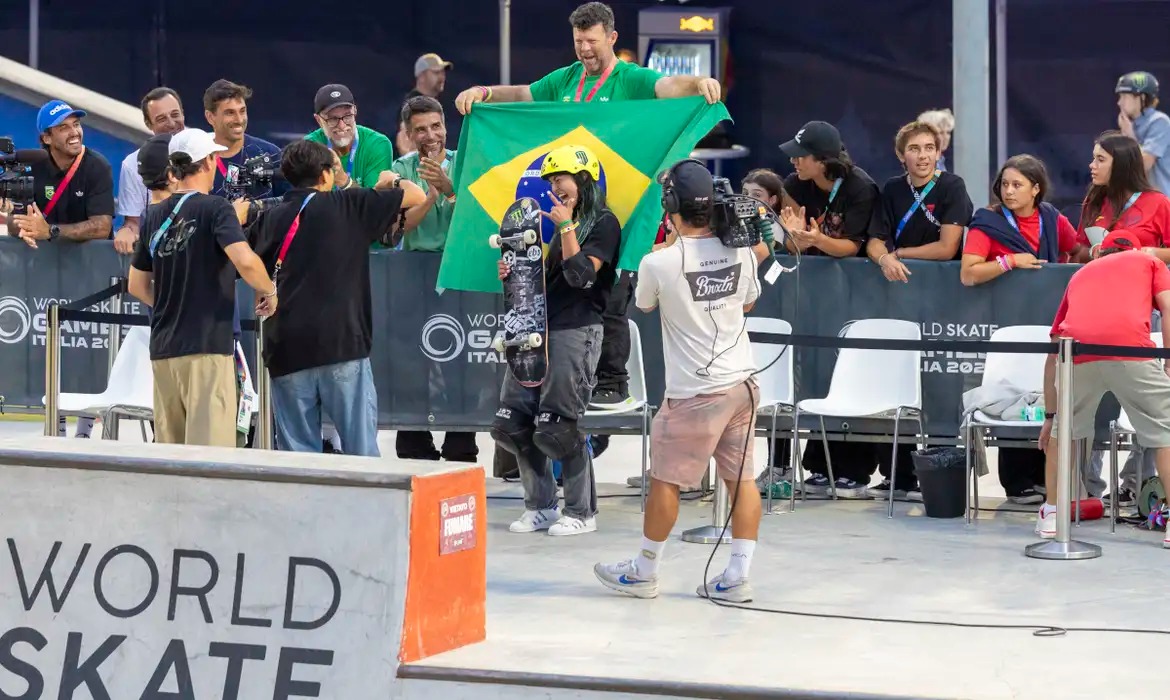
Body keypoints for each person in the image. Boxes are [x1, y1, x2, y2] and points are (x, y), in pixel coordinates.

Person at [455, 0, 721, 410]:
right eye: (579, 41)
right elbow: (524, 94)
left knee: (611, 297)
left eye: (592, 41)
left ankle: (613, 381)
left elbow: (666, 87)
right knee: (561, 296)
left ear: (612, 38)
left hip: (617, 214)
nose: (585, 50)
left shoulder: (629, 79)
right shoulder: (565, 79)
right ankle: (556, 385)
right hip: (568, 217)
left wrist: (698, 82)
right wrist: (484, 92)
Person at [594, 159, 764, 602]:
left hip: (694, 393)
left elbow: (646, 305)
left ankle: (644, 570)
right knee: (742, 482)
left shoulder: (659, 262)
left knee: (665, 482)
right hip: (742, 385)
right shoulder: (741, 250)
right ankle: (737, 577)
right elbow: (747, 304)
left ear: (670, 205)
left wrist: (674, 246)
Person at [247, 140, 423, 456]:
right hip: (342, 343)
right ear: (327, 175)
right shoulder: (350, 205)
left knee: (298, 457)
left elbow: (246, 264)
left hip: (286, 347)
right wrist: (391, 180)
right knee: (361, 452)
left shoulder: (271, 218)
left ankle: (305, 506)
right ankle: (366, 507)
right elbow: (417, 195)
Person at [490, 145, 620, 537]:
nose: (554, 187)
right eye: (549, 181)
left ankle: (581, 511)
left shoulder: (603, 223)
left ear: (584, 179)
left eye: (560, 178)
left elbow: (581, 276)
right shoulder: (563, 228)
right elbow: (548, 285)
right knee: (512, 422)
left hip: (577, 331)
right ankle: (541, 506)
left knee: (558, 426)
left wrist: (565, 228)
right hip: (538, 329)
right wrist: (513, 275)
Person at [126, 129, 278, 447]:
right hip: (208, 348)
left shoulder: (152, 216)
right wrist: (269, 290)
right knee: (211, 458)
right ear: (208, 162)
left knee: (172, 457)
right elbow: (246, 262)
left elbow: (137, 285)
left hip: (164, 350)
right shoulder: (217, 209)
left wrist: (173, 303)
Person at [961, 154, 1086, 504]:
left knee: (1045, 396)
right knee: (1013, 395)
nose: (1009, 191)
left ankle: (1047, 480)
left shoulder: (1052, 218)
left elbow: (1076, 250)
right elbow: (969, 272)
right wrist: (1009, 261)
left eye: (1017, 185)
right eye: (1005, 184)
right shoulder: (987, 222)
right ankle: (1016, 483)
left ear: (1036, 189)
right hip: (1008, 322)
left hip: (1049, 322)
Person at [1037, 230, 1170, 546]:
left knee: (1063, 434)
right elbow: (1168, 306)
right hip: (1131, 350)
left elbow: (1054, 352)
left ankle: (1051, 514)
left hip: (1078, 352)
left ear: (1099, 252)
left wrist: (1051, 416)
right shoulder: (1148, 261)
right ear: (1136, 249)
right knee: (1166, 431)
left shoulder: (1082, 273)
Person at [776, 120, 881, 499]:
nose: (794, 163)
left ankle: (855, 467)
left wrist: (817, 237)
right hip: (811, 292)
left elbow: (852, 246)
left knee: (847, 370)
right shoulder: (793, 186)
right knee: (812, 373)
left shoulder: (860, 188)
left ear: (823, 160)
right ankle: (816, 464)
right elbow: (791, 245)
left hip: (852, 292)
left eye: (801, 157)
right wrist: (794, 237)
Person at [9, 99, 116, 441]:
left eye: (75, 124)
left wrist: (50, 232)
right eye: (63, 127)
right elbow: (20, 220)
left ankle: (85, 430)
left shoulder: (96, 166)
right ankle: (53, 424)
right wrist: (20, 226)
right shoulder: (32, 166)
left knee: (85, 350)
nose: (74, 132)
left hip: (88, 271)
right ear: (46, 138)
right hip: (43, 272)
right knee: (45, 348)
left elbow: (101, 226)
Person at [1073, 130, 1170, 504]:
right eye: (1093, 157)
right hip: (1096, 311)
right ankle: (1088, 490)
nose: (1091, 165)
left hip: (1143, 313)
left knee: (1148, 406)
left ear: (1121, 163)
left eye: (1100, 159)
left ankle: (1137, 485)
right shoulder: (1094, 200)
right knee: (1089, 406)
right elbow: (1080, 250)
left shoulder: (1158, 202)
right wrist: (1094, 251)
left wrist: (1142, 252)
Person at [389, 95, 480, 463]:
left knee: (463, 362)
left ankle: (461, 441)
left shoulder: (468, 162)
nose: (430, 135)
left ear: (446, 126)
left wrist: (449, 187)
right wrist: (428, 196)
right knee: (412, 360)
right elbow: (400, 227)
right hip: (414, 274)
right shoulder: (400, 167)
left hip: (459, 273)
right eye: (420, 129)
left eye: (436, 126)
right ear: (409, 135)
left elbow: (475, 222)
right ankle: (413, 443)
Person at [114, 87, 186, 255]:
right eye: (161, 119)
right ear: (148, 124)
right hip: (159, 252)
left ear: (183, 114)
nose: (171, 123)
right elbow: (133, 222)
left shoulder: (205, 150)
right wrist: (127, 230)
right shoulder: (132, 164)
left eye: (175, 115)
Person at [203, 79, 286, 200]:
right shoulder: (200, 161)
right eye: (230, 113)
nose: (239, 120)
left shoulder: (270, 153)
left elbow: (289, 203)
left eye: (242, 111)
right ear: (210, 117)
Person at [306, 84, 394, 190]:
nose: (342, 125)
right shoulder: (309, 147)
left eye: (347, 116)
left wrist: (344, 181)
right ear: (318, 120)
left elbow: (374, 203)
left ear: (355, 111)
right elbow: (308, 200)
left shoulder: (377, 144)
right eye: (332, 119)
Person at [1115, 71, 1170, 195]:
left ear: (1142, 97)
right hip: (1142, 204)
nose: (1119, 103)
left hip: (1164, 204)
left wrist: (1129, 136)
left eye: (1124, 96)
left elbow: (1143, 165)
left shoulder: (1159, 121)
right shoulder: (1129, 125)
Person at [396, 53, 454, 158]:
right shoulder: (411, 106)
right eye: (436, 72)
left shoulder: (436, 103)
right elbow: (404, 143)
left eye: (443, 72)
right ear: (422, 76)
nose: (442, 77)